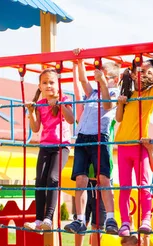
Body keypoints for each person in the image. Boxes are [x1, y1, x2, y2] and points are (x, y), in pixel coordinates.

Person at [65, 50, 120, 236]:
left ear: (114, 79)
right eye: (98, 77)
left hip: (99, 137)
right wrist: (80, 62)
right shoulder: (92, 93)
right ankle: (79, 219)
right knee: (81, 178)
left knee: (103, 178)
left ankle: (111, 217)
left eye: (104, 76)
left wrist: (104, 82)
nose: (98, 80)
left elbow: (107, 105)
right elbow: (82, 81)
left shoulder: (113, 92)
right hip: (82, 137)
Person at [115, 54, 153, 236]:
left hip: (140, 146)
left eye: (147, 72)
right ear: (133, 73)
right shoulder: (128, 94)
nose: (143, 74)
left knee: (143, 184)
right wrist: (120, 104)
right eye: (140, 70)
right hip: (123, 146)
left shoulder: (150, 93)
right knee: (124, 187)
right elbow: (119, 118)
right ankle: (125, 222)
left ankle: (146, 218)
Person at [23, 68, 74, 231]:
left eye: (51, 82)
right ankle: (38, 220)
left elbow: (71, 119)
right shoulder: (40, 105)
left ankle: (48, 218)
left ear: (58, 85)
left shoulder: (64, 99)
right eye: (44, 83)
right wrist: (31, 112)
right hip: (45, 146)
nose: (48, 85)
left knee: (53, 178)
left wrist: (60, 105)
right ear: (39, 86)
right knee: (40, 180)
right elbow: (36, 128)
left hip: (61, 146)